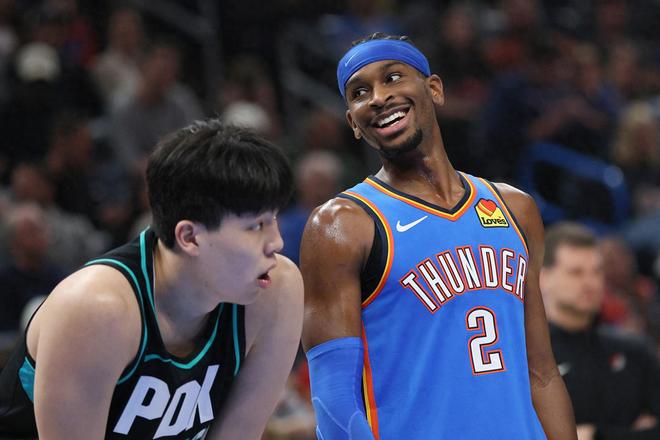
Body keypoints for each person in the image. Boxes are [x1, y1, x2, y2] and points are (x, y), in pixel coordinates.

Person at [300, 32, 577, 439]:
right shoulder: (342, 225)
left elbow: (543, 373)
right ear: (353, 124)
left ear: (434, 89)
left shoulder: (515, 208)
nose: (378, 97)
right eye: (360, 92)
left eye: (392, 78)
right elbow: (334, 398)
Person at [0, 119, 304, 439]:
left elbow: (240, 433)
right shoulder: (95, 311)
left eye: (274, 218)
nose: (277, 242)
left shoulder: (277, 290)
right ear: (190, 236)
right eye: (255, 226)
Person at [540, 222, 660, 440]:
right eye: (576, 272)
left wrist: (595, 435)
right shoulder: (528, 357)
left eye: (596, 271)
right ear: (544, 278)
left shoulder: (634, 350)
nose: (590, 283)